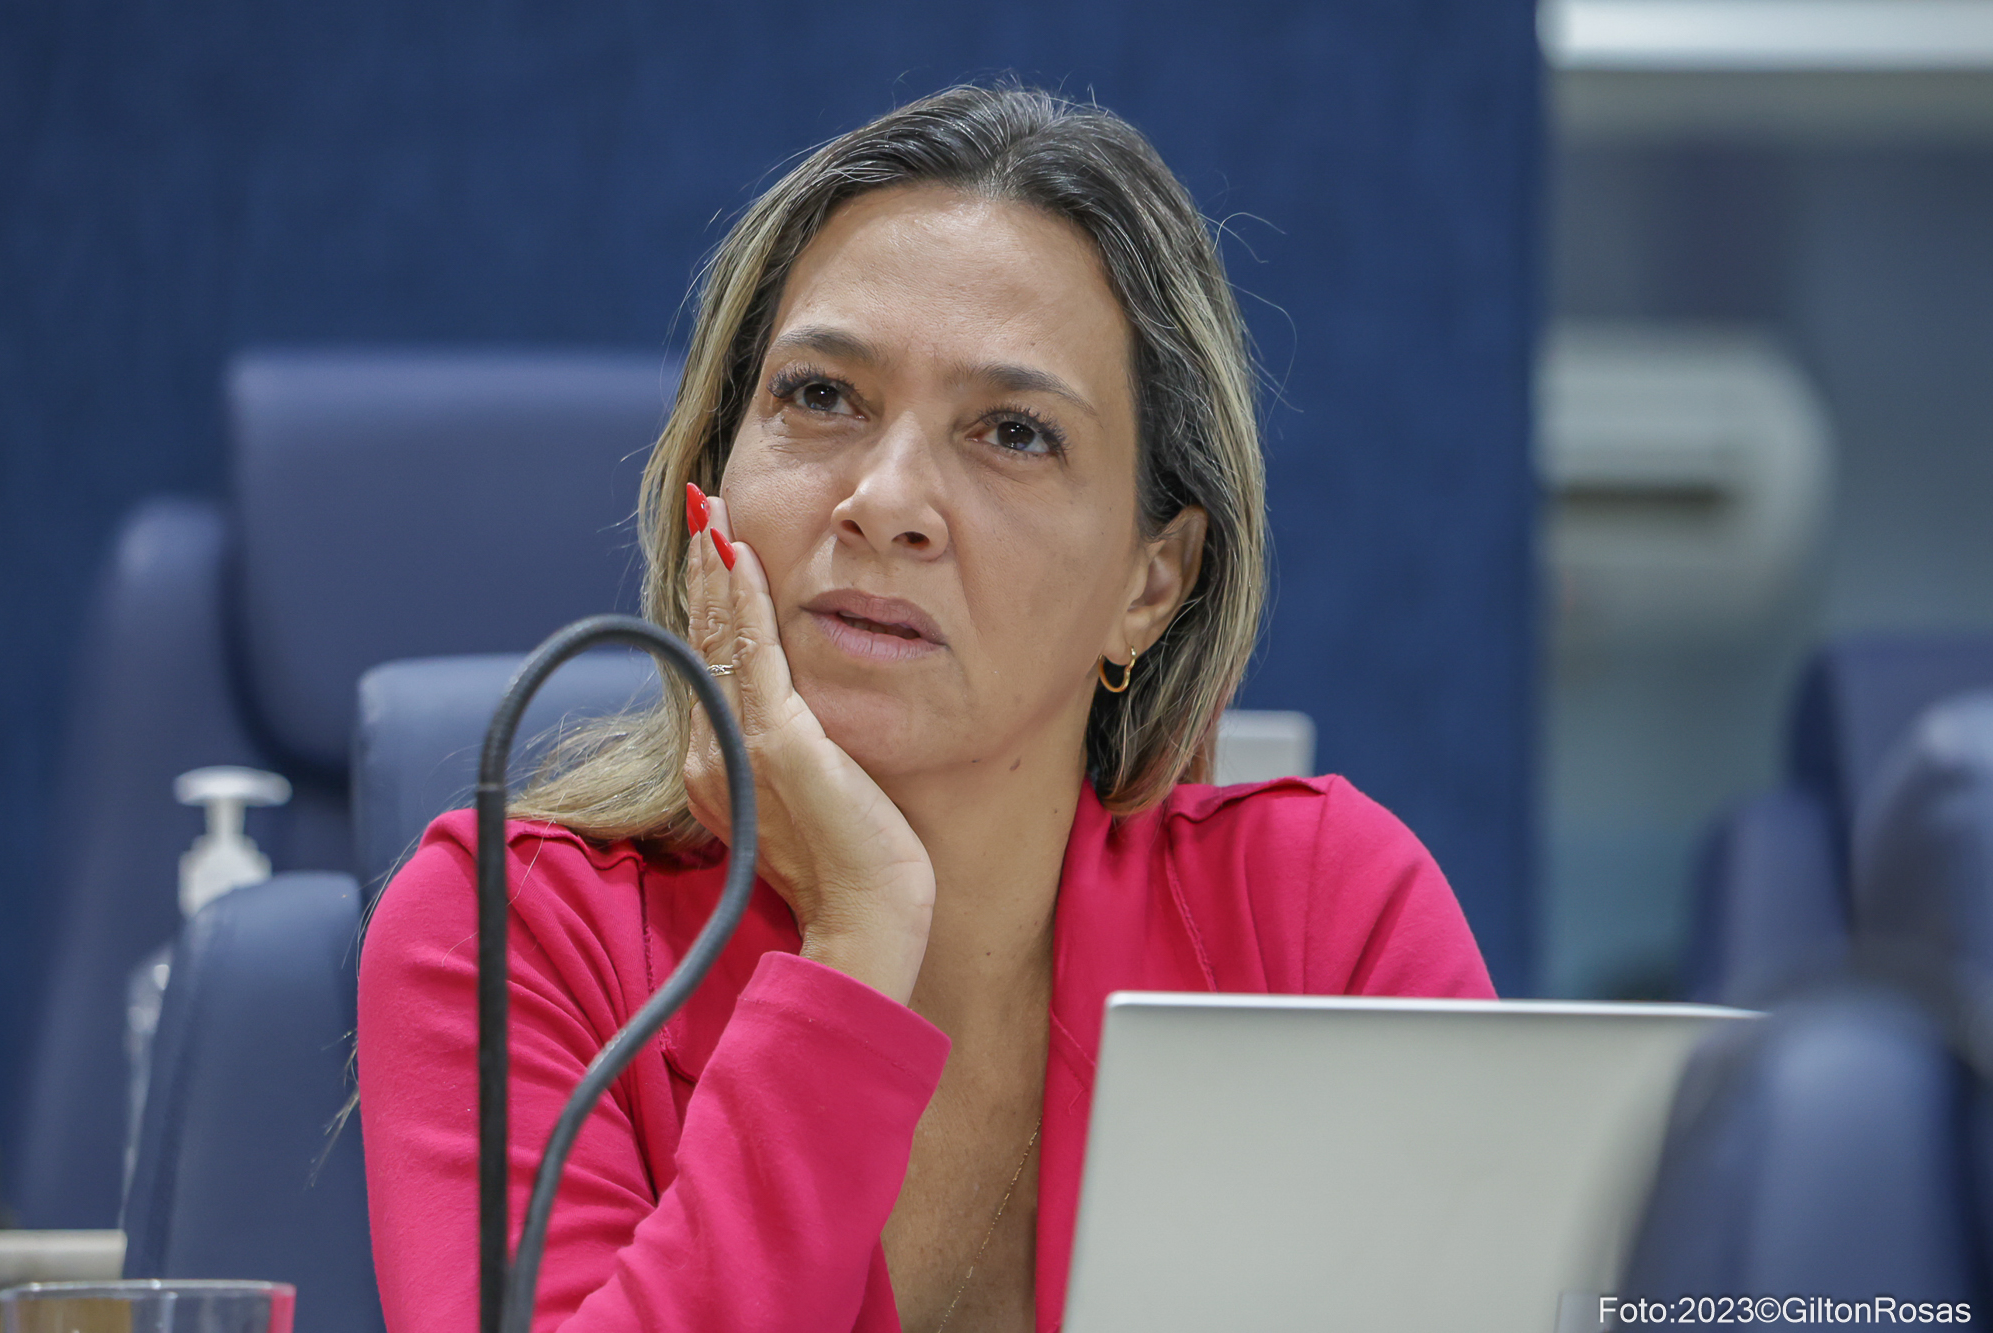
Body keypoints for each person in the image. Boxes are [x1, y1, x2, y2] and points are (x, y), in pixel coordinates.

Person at [357, 83, 1494, 1333]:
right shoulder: (510, 936)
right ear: (711, 480)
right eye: (820, 396)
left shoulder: (1320, 922)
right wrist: (855, 941)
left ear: (1150, 583)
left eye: (1013, 432)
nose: (886, 500)